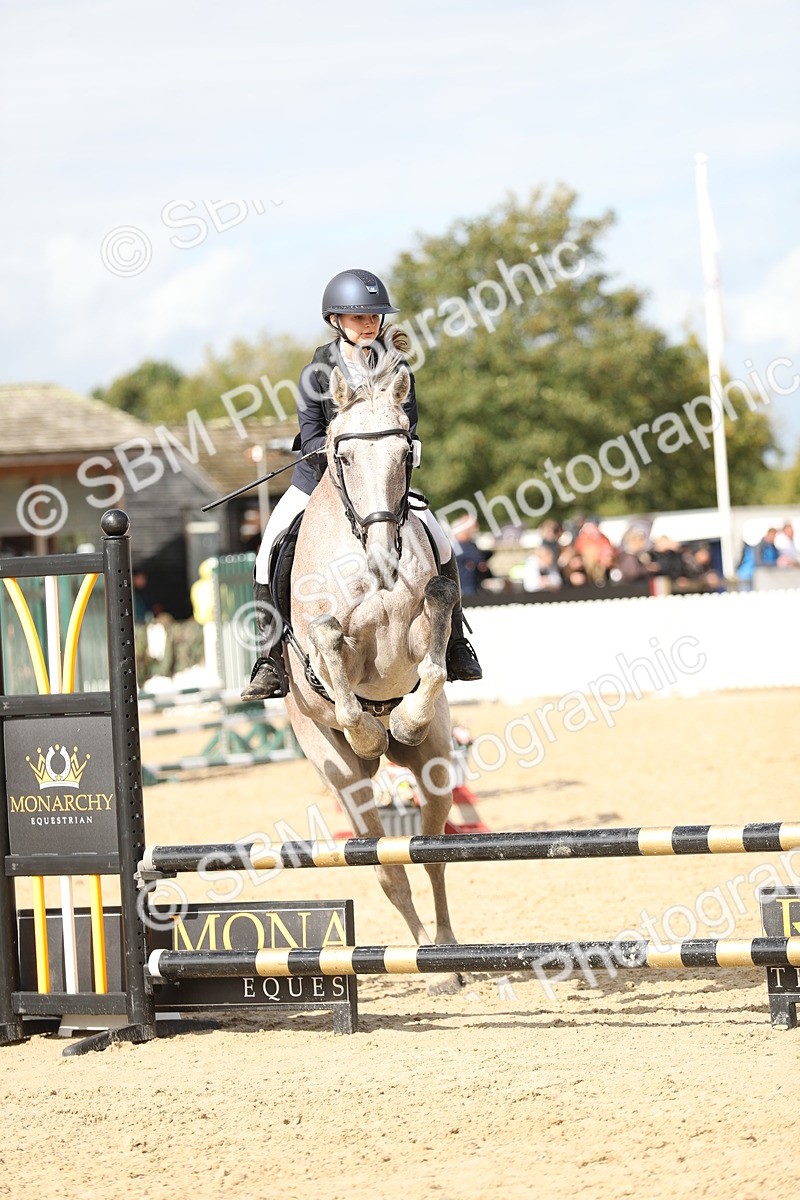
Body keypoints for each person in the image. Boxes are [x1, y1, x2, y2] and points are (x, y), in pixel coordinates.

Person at [242, 268, 483, 699]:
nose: (369, 324)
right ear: (336, 320)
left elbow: (408, 422)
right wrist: (339, 450)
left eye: (374, 317)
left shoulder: (396, 363)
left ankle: (457, 645)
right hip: (321, 481)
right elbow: (312, 433)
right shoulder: (316, 372)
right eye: (359, 318)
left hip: (383, 484)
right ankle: (269, 659)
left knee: (441, 542)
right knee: (268, 549)